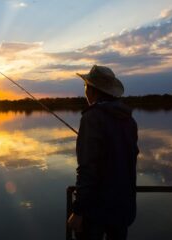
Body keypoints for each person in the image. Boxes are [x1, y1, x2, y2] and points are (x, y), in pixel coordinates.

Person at [68, 65, 139, 240]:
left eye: (85, 86)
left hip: (95, 211)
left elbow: (87, 169)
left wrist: (78, 211)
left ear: (92, 90)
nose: (85, 91)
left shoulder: (91, 118)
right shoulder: (129, 119)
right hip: (123, 207)